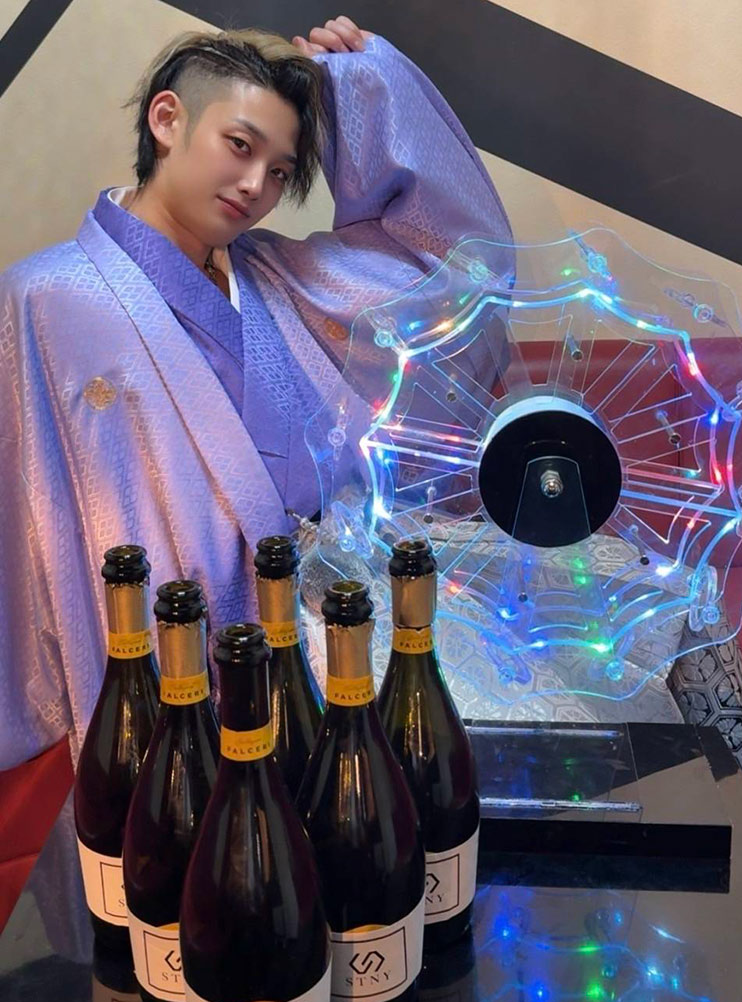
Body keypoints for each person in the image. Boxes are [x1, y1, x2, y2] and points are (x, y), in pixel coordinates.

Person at [0, 16, 511, 771]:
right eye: (240, 145)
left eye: (279, 171)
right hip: (163, 665)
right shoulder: (42, 299)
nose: (255, 186)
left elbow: (452, 274)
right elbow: (24, 527)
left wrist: (369, 85)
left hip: (315, 659)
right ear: (167, 119)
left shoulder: (279, 278)